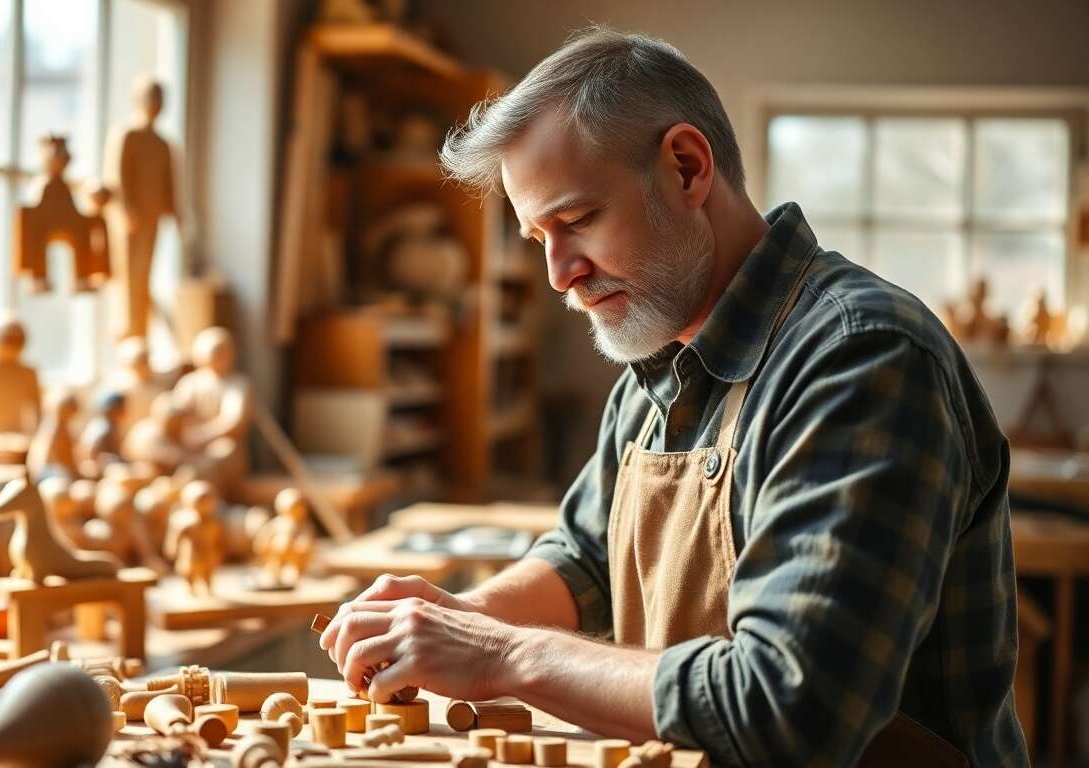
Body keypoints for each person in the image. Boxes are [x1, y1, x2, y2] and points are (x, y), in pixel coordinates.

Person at [319, 27, 1026, 768]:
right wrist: (459, 617)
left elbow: (790, 709)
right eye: (538, 238)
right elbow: (585, 556)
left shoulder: (861, 357)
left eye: (578, 221)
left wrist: (500, 653)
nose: (560, 274)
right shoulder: (662, 360)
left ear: (687, 168)